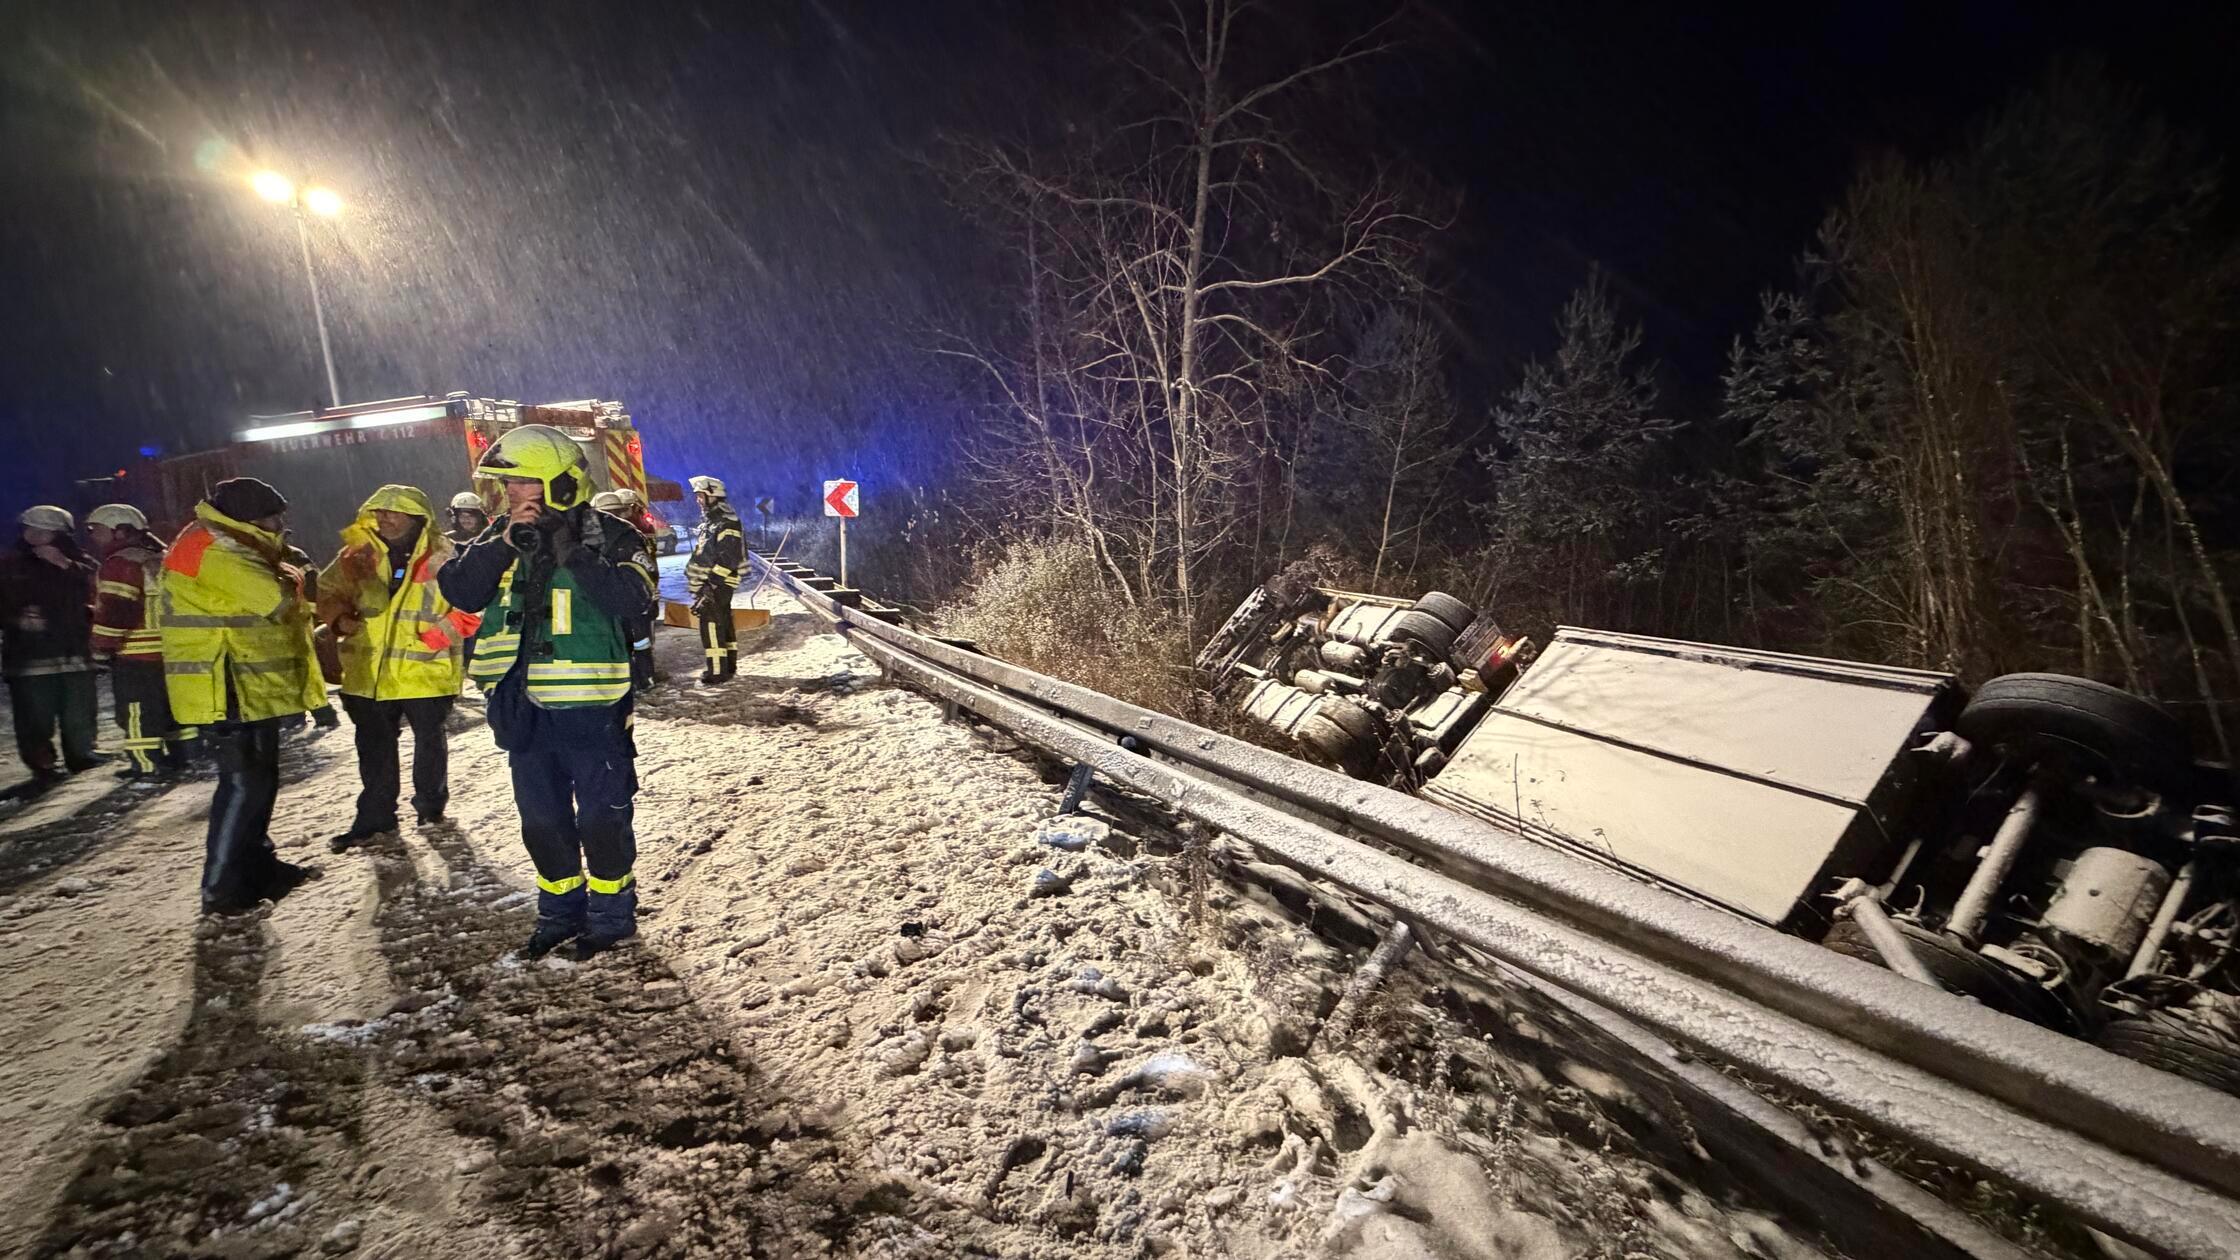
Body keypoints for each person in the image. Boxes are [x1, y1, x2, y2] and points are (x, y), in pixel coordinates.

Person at [439, 426, 656, 959]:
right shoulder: (504, 533)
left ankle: (611, 918)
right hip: (522, 709)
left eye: (521, 483)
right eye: (507, 484)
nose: (509, 493)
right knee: (542, 822)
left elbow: (634, 600)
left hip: (593, 709)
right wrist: (503, 544)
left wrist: (574, 554)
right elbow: (460, 588)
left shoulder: (613, 535)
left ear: (559, 482)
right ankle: (559, 914)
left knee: (602, 818)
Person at [161, 477, 323, 914]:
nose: (279, 526)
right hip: (225, 682)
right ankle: (222, 889)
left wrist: (286, 568)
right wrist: (298, 574)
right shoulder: (214, 547)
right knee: (241, 786)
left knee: (259, 781)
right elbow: (275, 598)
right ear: (248, 518)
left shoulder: (230, 542)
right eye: (272, 518)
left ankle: (259, 869)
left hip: (243, 680)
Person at [319, 486, 480, 850]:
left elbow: (472, 606)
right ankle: (374, 819)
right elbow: (328, 590)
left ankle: (430, 808)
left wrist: (434, 639)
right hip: (369, 672)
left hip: (423, 669)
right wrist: (339, 620)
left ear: (416, 517)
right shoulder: (357, 553)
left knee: (429, 743)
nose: (384, 519)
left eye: (394, 512)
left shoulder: (445, 556)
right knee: (374, 748)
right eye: (379, 512)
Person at [87, 503, 192, 777]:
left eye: (97, 529)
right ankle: (186, 756)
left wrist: (101, 647)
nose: (93, 535)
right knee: (172, 708)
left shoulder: (120, 563)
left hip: (136, 653)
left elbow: (117, 609)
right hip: (173, 649)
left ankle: (146, 765)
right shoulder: (163, 557)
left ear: (119, 531)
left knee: (136, 710)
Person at [0, 506, 101, 784]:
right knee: (34, 716)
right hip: (29, 657)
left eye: (44, 531)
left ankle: (82, 755)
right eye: (30, 529)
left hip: (74, 652)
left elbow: (99, 589)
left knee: (79, 711)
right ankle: (42, 764)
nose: (35, 535)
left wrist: (65, 565)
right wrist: (15, 618)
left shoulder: (80, 562)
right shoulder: (9, 565)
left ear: (61, 534)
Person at [593, 489, 662, 693]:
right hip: (634, 599)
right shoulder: (630, 534)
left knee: (620, 642)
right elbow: (647, 567)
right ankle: (645, 677)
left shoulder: (588, 538)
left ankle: (627, 680)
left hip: (609, 604)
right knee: (641, 640)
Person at [683, 475, 744, 685]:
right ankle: (728, 666)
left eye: (701, 496)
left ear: (713, 496)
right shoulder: (713, 522)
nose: (698, 500)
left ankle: (717, 672)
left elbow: (728, 559)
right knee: (723, 623)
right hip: (713, 584)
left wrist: (711, 584)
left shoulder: (726, 523)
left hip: (717, 584)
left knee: (711, 626)